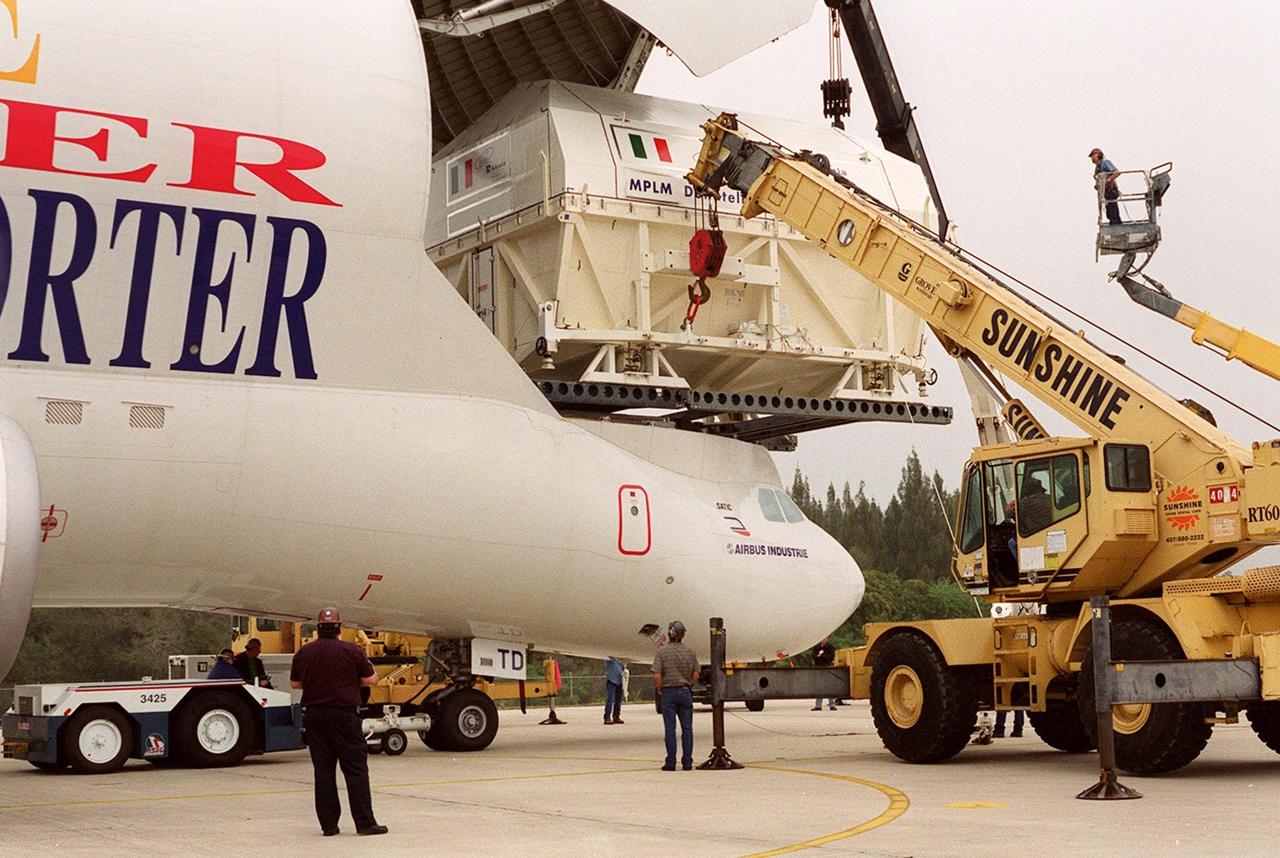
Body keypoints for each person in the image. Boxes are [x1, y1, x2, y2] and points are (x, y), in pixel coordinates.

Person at [290, 607, 387, 837]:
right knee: (355, 770)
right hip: (344, 716)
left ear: (318, 629)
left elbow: (295, 684)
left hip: (315, 716)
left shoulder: (304, 652)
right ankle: (364, 823)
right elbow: (370, 679)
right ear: (338, 629)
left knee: (323, 771)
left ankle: (329, 826)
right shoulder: (351, 650)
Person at [652, 620, 699, 771]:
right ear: (683, 634)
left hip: (668, 693)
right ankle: (687, 762)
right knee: (687, 729)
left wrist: (660, 689)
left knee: (670, 729)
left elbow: (657, 675)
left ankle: (671, 762)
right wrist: (689, 684)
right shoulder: (690, 652)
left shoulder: (662, 652)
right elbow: (696, 674)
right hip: (685, 692)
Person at [1089, 147, 1122, 225]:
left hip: (1111, 189)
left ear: (1098, 155)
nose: (1092, 158)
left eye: (1093, 156)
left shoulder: (1105, 162)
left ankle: (1116, 225)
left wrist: (1107, 181)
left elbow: (1117, 172)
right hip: (1106, 191)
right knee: (1109, 211)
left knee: (1112, 210)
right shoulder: (1098, 167)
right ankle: (1114, 224)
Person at [811, 637, 838, 711]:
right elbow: (814, 656)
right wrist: (821, 657)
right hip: (819, 669)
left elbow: (830, 657)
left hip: (827, 668)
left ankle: (832, 705)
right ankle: (818, 705)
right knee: (819, 687)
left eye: (824, 639)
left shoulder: (830, 647)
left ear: (827, 639)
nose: (822, 640)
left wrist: (821, 657)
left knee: (829, 686)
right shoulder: (816, 647)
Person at [604, 656, 625, 724]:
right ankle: (607, 717)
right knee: (610, 699)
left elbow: (623, 665)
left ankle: (616, 716)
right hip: (611, 679)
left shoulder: (620, 659)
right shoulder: (608, 657)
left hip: (620, 679)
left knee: (618, 700)